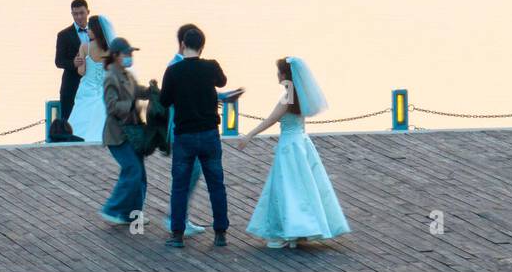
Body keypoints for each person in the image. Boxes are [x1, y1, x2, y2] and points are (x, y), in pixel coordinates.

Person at [235, 57, 350, 249]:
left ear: (284, 75)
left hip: (289, 146)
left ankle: (287, 232)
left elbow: (270, 120)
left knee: (285, 188)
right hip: (302, 143)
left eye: (278, 71)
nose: (277, 75)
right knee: (304, 187)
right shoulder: (301, 96)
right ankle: (300, 232)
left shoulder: (287, 98)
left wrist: (249, 136)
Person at [159, 26, 229, 248]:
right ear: (202, 46)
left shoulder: (174, 71)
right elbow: (222, 81)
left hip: (185, 135)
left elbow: (164, 100)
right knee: (216, 185)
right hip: (209, 133)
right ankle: (220, 234)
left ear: (182, 45)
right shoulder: (211, 67)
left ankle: (177, 235)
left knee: (179, 186)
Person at [100, 38, 153, 225]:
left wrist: (152, 92)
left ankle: (132, 215)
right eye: (127, 54)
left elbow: (138, 91)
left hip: (132, 132)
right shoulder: (110, 77)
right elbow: (111, 106)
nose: (130, 57)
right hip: (117, 135)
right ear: (115, 56)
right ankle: (111, 209)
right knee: (133, 170)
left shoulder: (127, 75)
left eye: (131, 53)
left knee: (140, 174)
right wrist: (130, 104)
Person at [67, 14, 112, 143]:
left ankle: (79, 138)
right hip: (104, 88)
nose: (87, 31)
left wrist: (78, 63)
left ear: (96, 30)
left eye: (90, 29)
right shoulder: (111, 50)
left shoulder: (85, 47)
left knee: (81, 115)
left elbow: (81, 72)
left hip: (88, 88)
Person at [54, 0, 90, 142]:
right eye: (75, 14)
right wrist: (72, 63)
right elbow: (58, 61)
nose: (79, 17)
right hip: (71, 85)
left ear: (88, 12)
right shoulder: (63, 35)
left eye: (81, 13)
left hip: (91, 84)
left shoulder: (96, 33)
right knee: (69, 120)